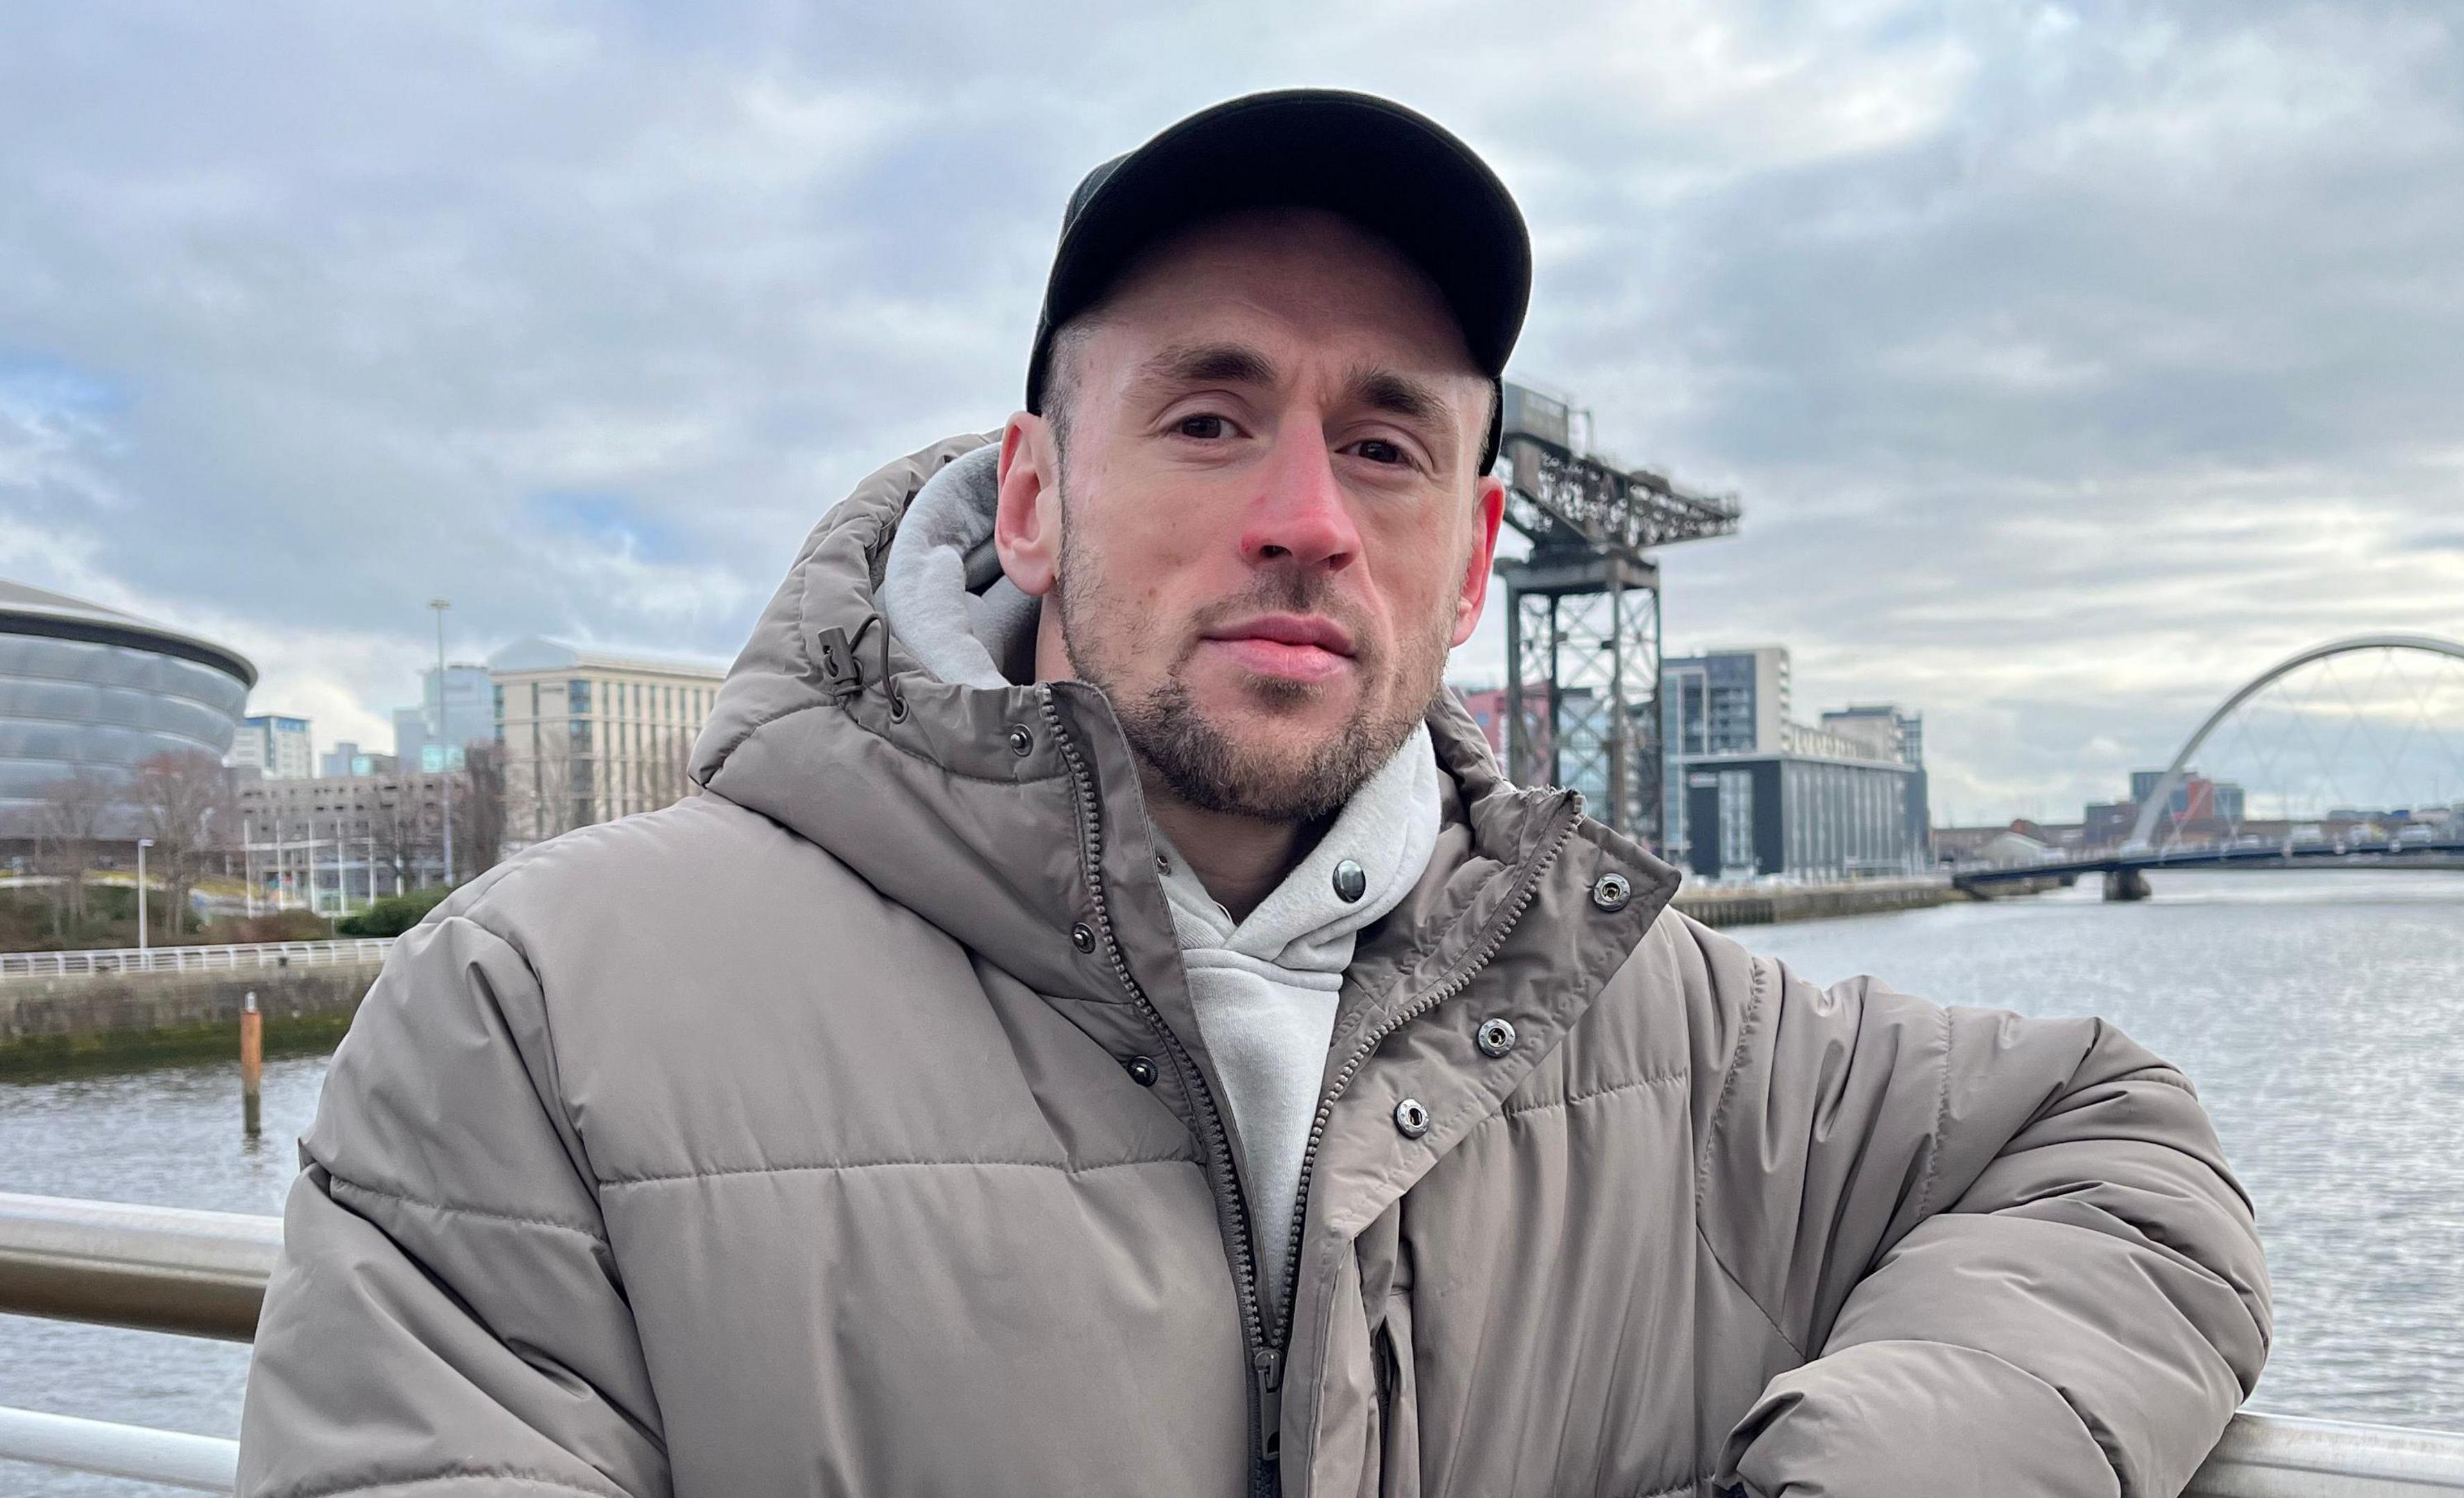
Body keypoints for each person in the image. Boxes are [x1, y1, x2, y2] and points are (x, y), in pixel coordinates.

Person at [238, 90, 2269, 1498]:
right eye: (1209, 418)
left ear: (1476, 562)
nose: (1305, 520)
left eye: (1387, 450)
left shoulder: (1671, 1027)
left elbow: (2124, 1162)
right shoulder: (543, 1021)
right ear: (1032, 495)